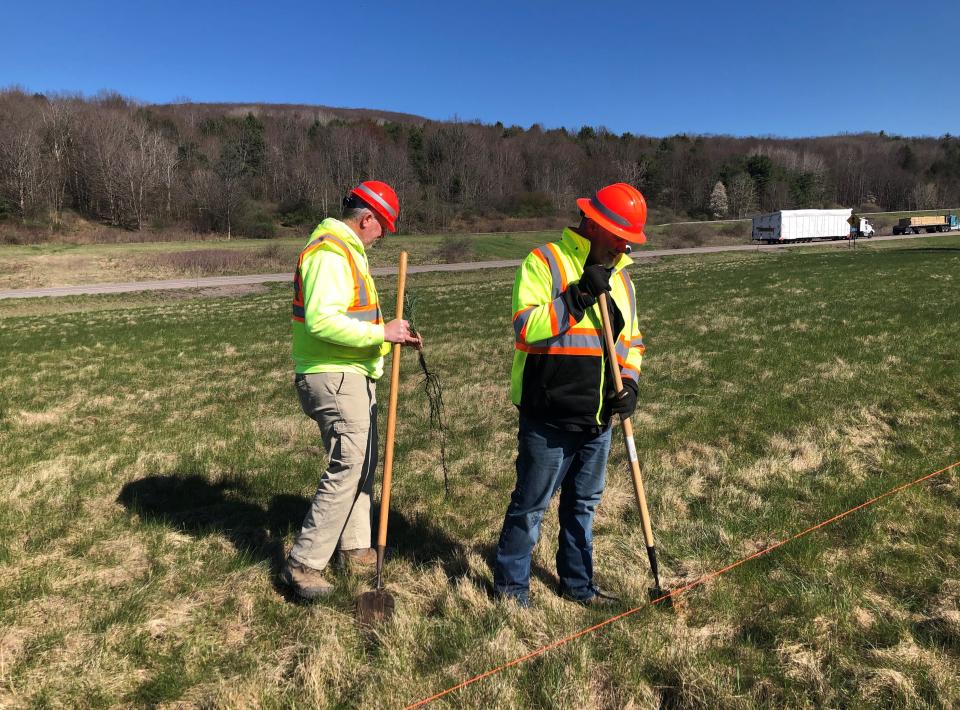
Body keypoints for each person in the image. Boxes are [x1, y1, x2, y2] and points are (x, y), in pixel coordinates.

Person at [494, 182, 648, 607]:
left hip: (599, 419)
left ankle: (578, 586)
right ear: (594, 224)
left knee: (582, 509)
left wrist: (630, 384)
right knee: (530, 508)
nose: (623, 247)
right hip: (549, 415)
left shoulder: (622, 280)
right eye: (619, 237)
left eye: (629, 241)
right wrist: (577, 296)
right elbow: (526, 328)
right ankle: (511, 592)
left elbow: (632, 342)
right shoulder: (545, 262)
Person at [281, 180, 421, 600]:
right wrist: (382, 331)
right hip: (333, 376)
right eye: (384, 228)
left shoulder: (346, 251)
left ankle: (356, 545)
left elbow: (351, 321)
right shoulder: (330, 252)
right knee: (348, 465)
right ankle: (304, 563)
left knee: (362, 462)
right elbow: (323, 321)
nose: (383, 237)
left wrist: (387, 339)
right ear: (367, 219)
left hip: (352, 373)